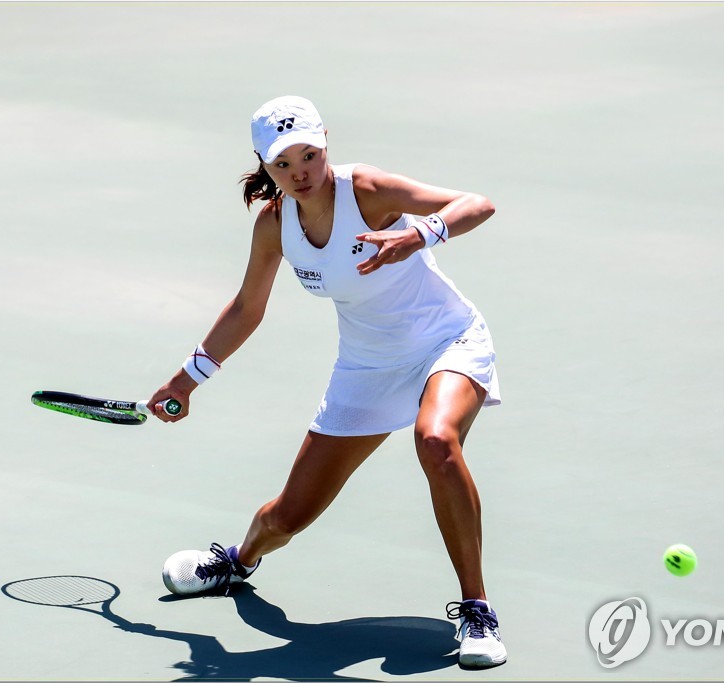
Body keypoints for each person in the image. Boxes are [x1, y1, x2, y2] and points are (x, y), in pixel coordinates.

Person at [147, 96, 506, 669]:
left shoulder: (367, 189)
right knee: (287, 516)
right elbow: (246, 309)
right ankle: (238, 561)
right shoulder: (274, 225)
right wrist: (187, 380)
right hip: (366, 367)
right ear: (265, 167)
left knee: (435, 440)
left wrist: (419, 236)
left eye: (309, 156)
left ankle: (477, 609)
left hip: (446, 340)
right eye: (283, 164)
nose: (300, 173)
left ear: (325, 145)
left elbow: (478, 204)